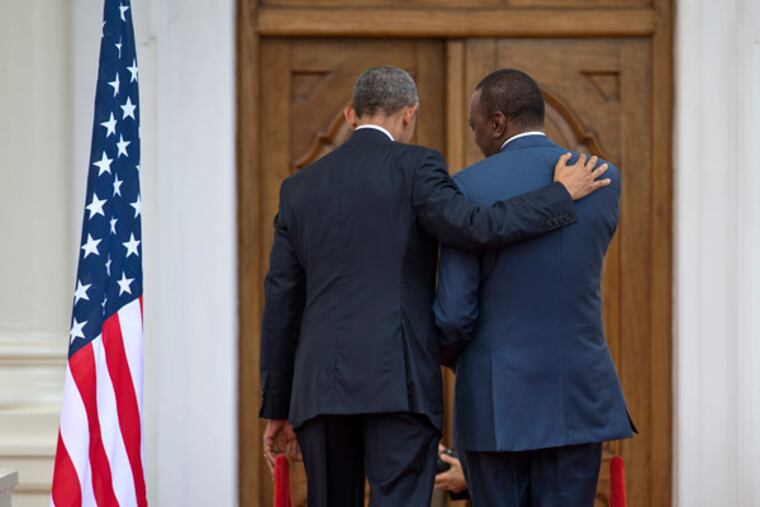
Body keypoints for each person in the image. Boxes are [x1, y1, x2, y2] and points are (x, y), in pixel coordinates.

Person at [258, 65, 610, 507]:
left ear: (350, 115)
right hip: (399, 382)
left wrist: (277, 405)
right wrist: (558, 195)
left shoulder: (298, 188)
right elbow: (476, 227)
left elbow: (281, 302)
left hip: (318, 389)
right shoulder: (417, 166)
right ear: (410, 114)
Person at [434, 68, 635, 507]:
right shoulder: (605, 180)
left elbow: (452, 314)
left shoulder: (466, 188)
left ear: (498, 122)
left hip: (494, 399)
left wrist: (460, 359)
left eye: (474, 126)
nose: (475, 138)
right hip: (577, 394)